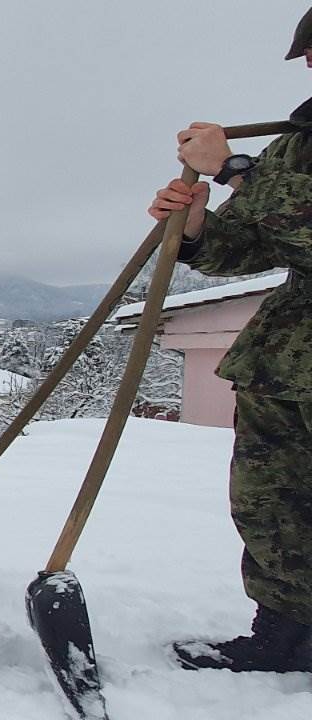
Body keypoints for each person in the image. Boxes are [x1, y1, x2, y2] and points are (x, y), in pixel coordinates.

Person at [147, 7, 312, 673]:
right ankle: (286, 640)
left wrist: (238, 167)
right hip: (286, 363)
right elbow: (257, 242)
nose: (310, 65)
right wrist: (196, 229)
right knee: (272, 507)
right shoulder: (300, 142)